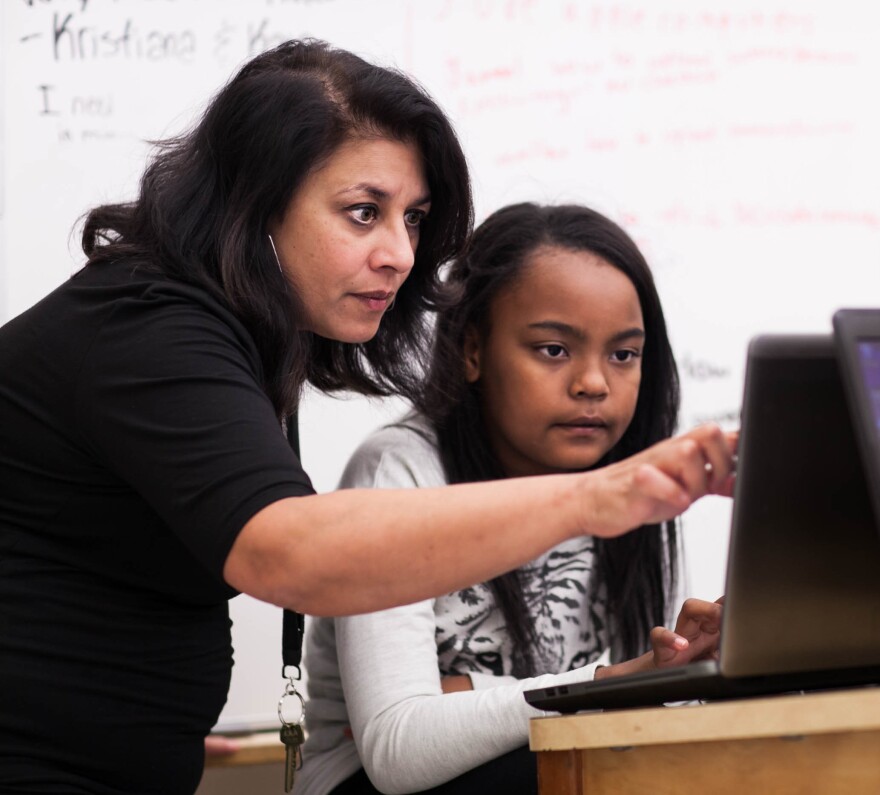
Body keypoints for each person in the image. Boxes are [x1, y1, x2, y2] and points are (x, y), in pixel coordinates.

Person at [0, 39, 734, 795]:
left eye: (412, 219)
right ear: (255, 204)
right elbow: (291, 556)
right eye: (363, 214)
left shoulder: (228, 340)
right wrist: (608, 494)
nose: (402, 254)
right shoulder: (150, 328)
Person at [297, 203, 729, 795]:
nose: (594, 383)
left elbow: (632, 718)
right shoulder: (398, 471)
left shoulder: (640, 481)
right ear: (473, 350)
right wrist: (609, 681)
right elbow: (399, 750)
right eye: (554, 349)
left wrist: (686, 669)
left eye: (623, 354)